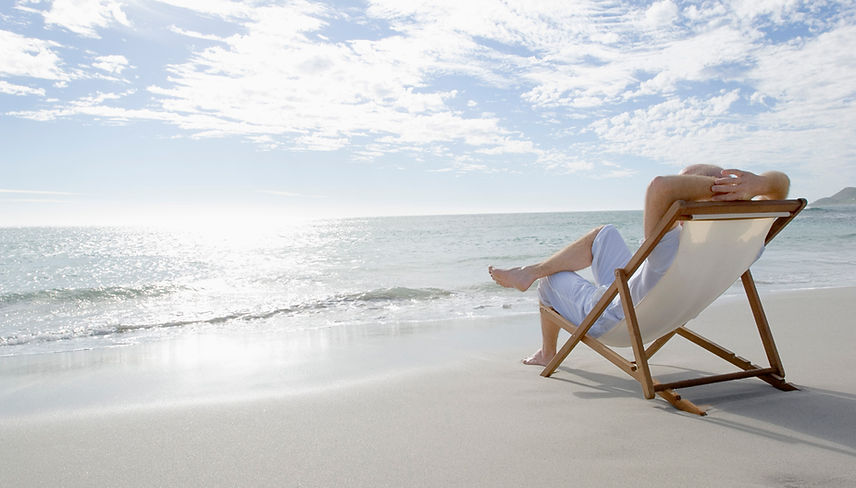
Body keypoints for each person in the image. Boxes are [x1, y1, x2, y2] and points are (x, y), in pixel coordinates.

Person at [488, 166, 790, 367]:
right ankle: (529, 273)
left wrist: (725, 188)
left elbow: (660, 186)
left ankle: (546, 345)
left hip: (617, 319)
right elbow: (782, 185)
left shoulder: (672, 244)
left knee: (548, 281)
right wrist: (759, 184)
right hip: (662, 309)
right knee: (605, 234)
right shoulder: (750, 239)